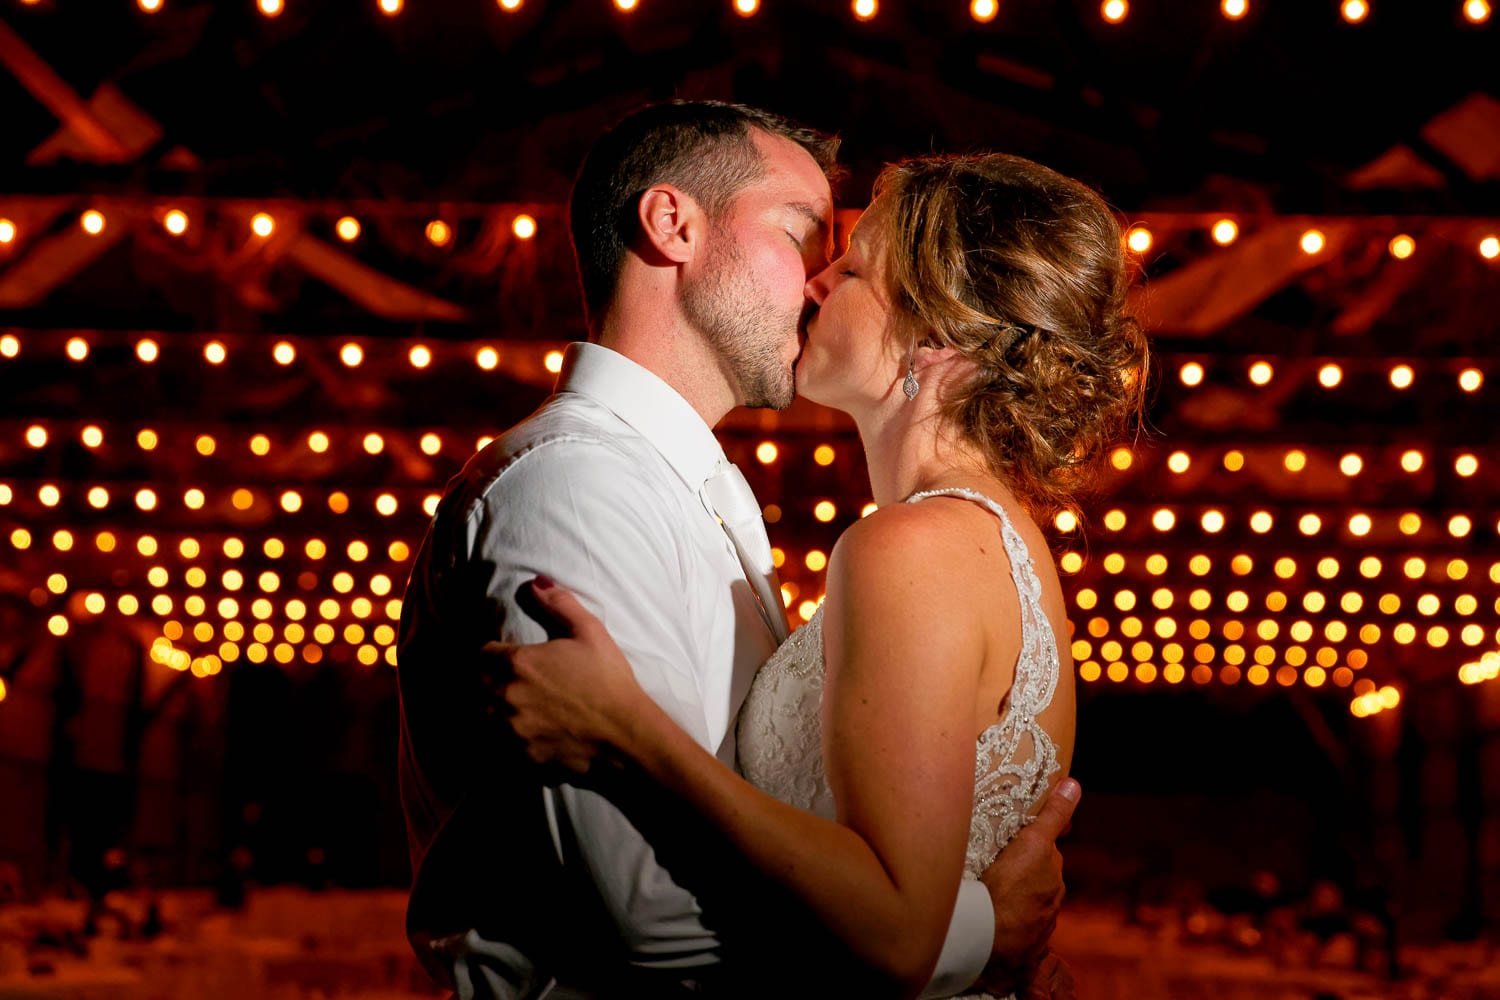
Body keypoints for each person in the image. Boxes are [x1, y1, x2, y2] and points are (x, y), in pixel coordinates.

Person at [397, 101, 1081, 999]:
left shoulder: (732, 502)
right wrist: (978, 930)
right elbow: (646, 922)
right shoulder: (581, 487)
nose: (814, 281)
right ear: (673, 225)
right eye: (803, 235)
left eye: (842, 259)